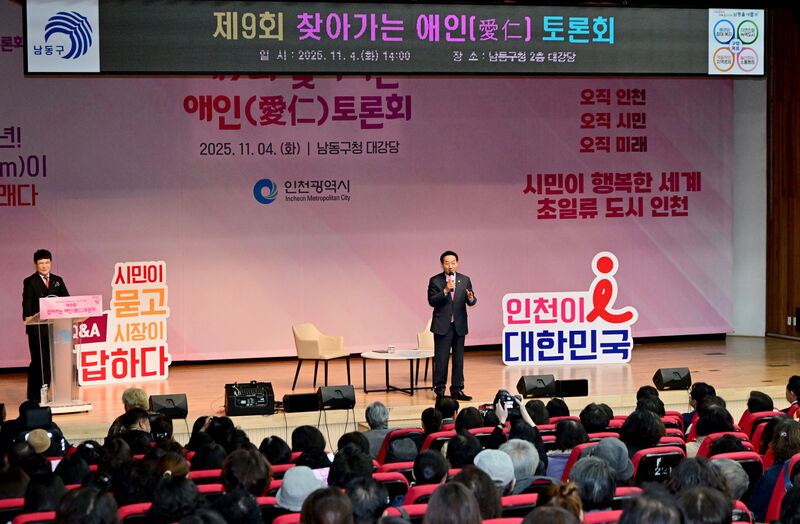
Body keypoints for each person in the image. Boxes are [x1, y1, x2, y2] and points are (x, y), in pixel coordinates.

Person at [427, 250, 477, 401]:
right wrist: (445, 290)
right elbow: (432, 301)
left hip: (459, 325)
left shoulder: (465, 279)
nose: (450, 266)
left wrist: (471, 298)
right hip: (443, 326)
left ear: (457, 263)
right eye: (447, 263)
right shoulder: (435, 281)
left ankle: (457, 390)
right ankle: (440, 391)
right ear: (442, 264)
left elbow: (471, 300)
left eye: (453, 262)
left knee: (458, 360)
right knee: (441, 360)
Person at [22, 248, 70, 401]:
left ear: (51, 263)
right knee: (38, 363)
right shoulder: (30, 281)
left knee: (51, 363)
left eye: (47, 262)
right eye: (41, 263)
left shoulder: (57, 280)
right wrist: (28, 318)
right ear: (35, 264)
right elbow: (27, 301)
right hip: (37, 329)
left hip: (55, 329)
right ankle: (34, 396)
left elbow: (66, 300)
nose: (44, 266)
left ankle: (46, 393)